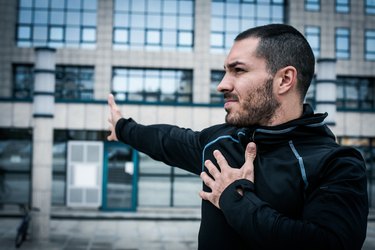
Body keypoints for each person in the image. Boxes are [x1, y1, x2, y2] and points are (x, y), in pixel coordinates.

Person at [107, 24, 368, 250]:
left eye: (238, 70)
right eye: (225, 71)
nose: (222, 84)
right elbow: (167, 140)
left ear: (284, 80)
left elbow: (328, 244)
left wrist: (235, 198)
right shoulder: (222, 142)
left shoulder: (337, 163)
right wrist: (122, 128)